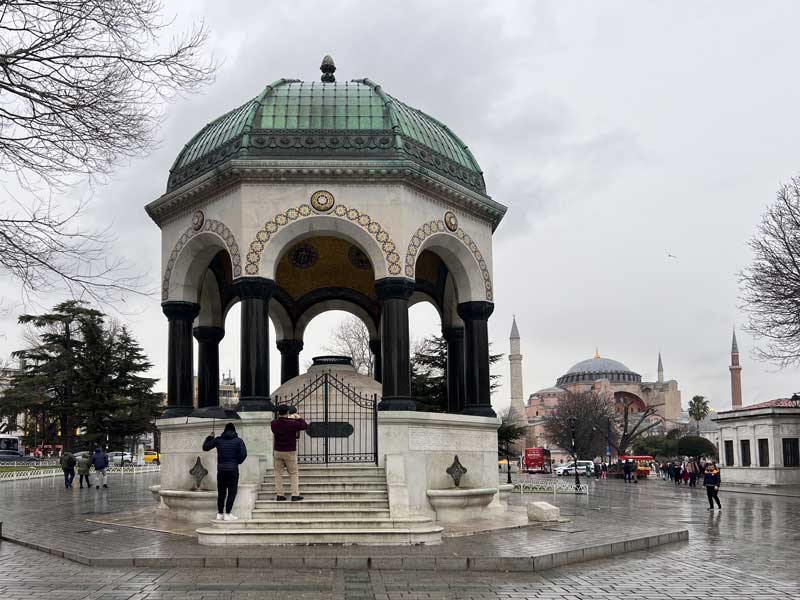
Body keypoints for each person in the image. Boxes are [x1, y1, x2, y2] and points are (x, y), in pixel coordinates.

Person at [202, 422, 248, 521]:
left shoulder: (218, 440)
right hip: (233, 470)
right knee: (232, 491)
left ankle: (219, 513)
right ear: (234, 430)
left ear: (225, 430)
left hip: (221, 470)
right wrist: (237, 461)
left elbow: (205, 447)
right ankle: (227, 513)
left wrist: (210, 437)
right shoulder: (239, 441)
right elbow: (243, 454)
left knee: (221, 492)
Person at [271, 404, 308, 501]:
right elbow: (305, 425)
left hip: (278, 450)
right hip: (290, 451)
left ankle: (280, 494)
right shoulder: (292, 423)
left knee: (278, 473)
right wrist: (298, 418)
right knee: (293, 473)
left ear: (278, 413)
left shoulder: (274, 423)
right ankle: (295, 494)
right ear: (287, 412)